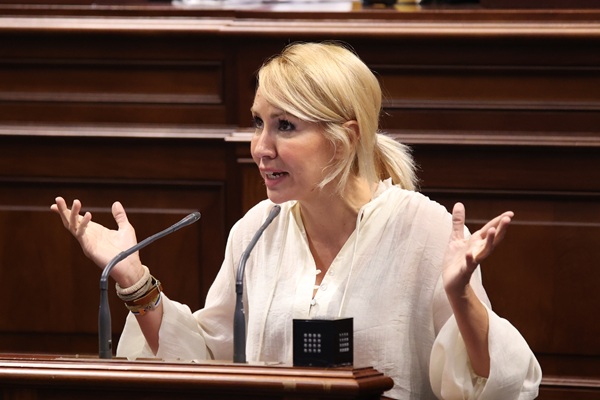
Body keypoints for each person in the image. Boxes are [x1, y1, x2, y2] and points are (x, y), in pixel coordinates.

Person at [51, 41, 542, 399]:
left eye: (285, 126)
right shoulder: (255, 231)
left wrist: (461, 296)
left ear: (345, 138)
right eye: (258, 122)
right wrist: (134, 280)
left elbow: (494, 385)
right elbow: (209, 362)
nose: (260, 148)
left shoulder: (425, 229)